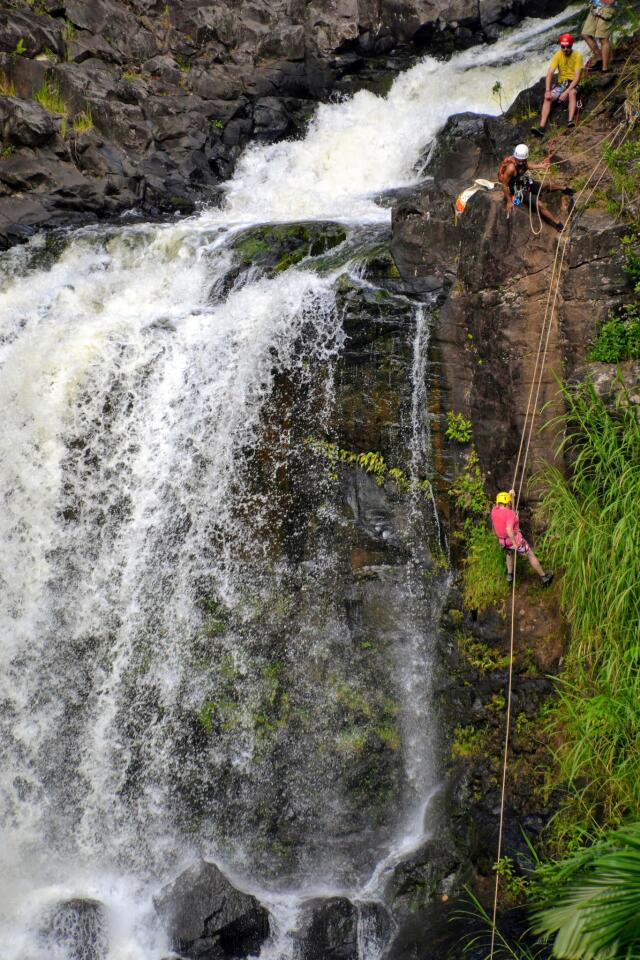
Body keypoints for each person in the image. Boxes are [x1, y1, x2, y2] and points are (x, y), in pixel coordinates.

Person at [498, 143, 573, 232]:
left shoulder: (523, 162)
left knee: (545, 184)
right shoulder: (511, 169)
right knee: (539, 204)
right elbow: (504, 185)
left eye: (523, 160)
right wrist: (509, 201)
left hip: (524, 182)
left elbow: (528, 166)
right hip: (518, 190)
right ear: (515, 158)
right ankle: (557, 224)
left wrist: (541, 166)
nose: (521, 162)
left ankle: (564, 189)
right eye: (519, 160)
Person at [491, 490, 554, 586]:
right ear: (507, 503)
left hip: (503, 542)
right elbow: (509, 528)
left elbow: (508, 509)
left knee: (509, 553)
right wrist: (515, 543)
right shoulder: (510, 514)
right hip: (513, 541)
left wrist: (511, 496)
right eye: (509, 502)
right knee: (530, 554)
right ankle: (544, 577)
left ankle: (509, 574)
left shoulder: (494, 511)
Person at [531, 33, 583, 137]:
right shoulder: (558, 55)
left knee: (572, 93)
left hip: (573, 83)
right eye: (563, 47)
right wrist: (547, 91)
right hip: (561, 84)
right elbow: (550, 73)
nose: (565, 49)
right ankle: (541, 127)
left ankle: (570, 121)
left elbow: (577, 78)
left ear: (571, 45)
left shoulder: (578, 56)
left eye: (567, 47)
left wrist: (566, 92)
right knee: (548, 98)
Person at [582, 0, 616, 73]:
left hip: (606, 9)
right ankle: (600, 58)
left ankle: (605, 68)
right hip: (594, 7)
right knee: (585, 34)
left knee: (603, 39)